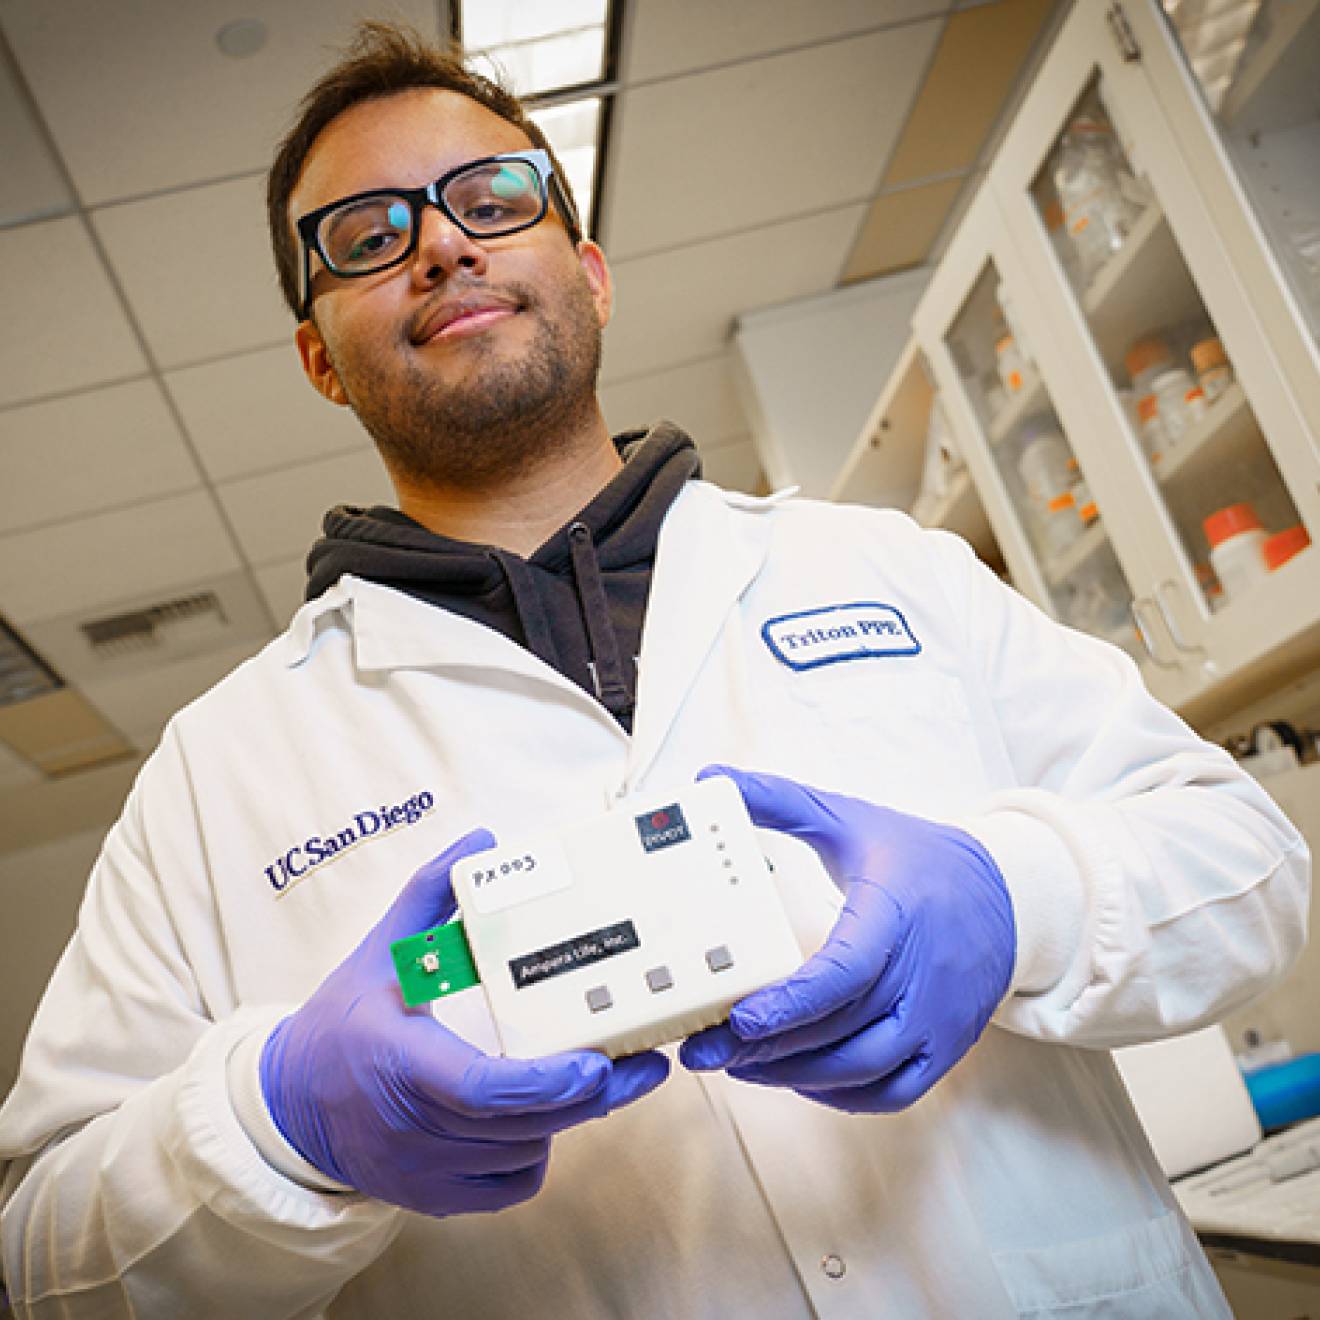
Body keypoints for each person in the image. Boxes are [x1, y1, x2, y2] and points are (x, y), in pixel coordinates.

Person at [0, 22, 1309, 1319]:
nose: (443, 243)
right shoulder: (219, 770)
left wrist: (1011, 895)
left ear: (592, 271)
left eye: (492, 198)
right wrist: (280, 1123)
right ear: (317, 357)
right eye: (366, 234)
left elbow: (1249, 867)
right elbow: (42, 1249)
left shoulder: (881, 567)